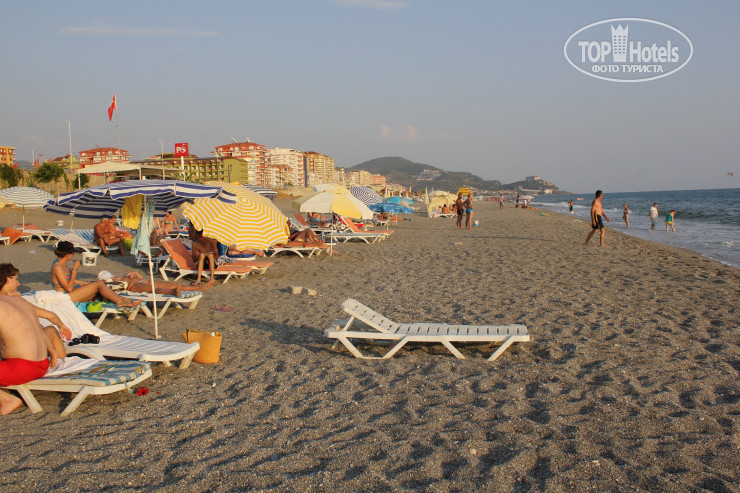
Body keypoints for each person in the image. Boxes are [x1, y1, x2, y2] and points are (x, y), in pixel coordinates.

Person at [0, 265, 65, 415]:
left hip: (21, 368)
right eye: (16, 280)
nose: (18, 283)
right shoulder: (19, 299)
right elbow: (39, 327)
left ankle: (7, 400)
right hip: (42, 364)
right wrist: (52, 351)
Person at [50, 241, 141, 308]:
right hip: (65, 297)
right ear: (68, 255)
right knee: (99, 284)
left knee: (98, 284)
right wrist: (75, 270)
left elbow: (67, 280)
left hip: (69, 293)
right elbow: (69, 288)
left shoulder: (61, 264)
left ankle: (123, 299)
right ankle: (120, 301)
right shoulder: (58, 267)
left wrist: (82, 283)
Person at [97, 270, 211, 296]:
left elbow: (140, 277)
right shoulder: (107, 283)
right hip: (133, 286)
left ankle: (198, 288)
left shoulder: (116, 277)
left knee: (173, 284)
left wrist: (136, 274)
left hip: (141, 281)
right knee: (154, 290)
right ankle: (172, 292)